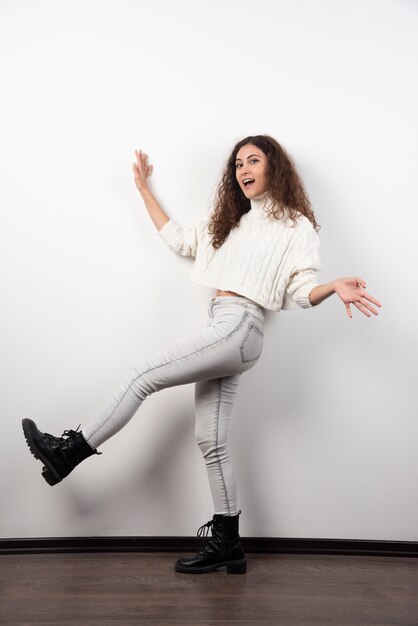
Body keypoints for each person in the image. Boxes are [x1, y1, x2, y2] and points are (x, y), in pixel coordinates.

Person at [22, 135, 382, 575]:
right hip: (226, 330)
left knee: (142, 375)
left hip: (240, 326)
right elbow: (179, 239)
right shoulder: (231, 222)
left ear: (275, 168)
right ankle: (228, 544)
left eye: (254, 160)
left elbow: (299, 290)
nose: (243, 169)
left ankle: (69, 451)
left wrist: (332, 287)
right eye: (237, 164)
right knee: (211, 441)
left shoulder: (295, 225)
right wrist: (142, 189)